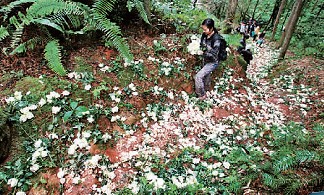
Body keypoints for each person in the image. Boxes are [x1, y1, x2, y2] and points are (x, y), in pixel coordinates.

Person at [195, 18, 222, 100]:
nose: (203, 31)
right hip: (205, 59)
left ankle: (202, 95)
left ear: (211, 28)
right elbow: (201, 44)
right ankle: (207, 88)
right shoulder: (204, 35)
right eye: (202, 29)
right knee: (206, 75)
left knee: (198, 76)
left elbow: (215, 52)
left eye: (205, 29)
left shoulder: (217, 39)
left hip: (213, 61)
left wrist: (204, 52)